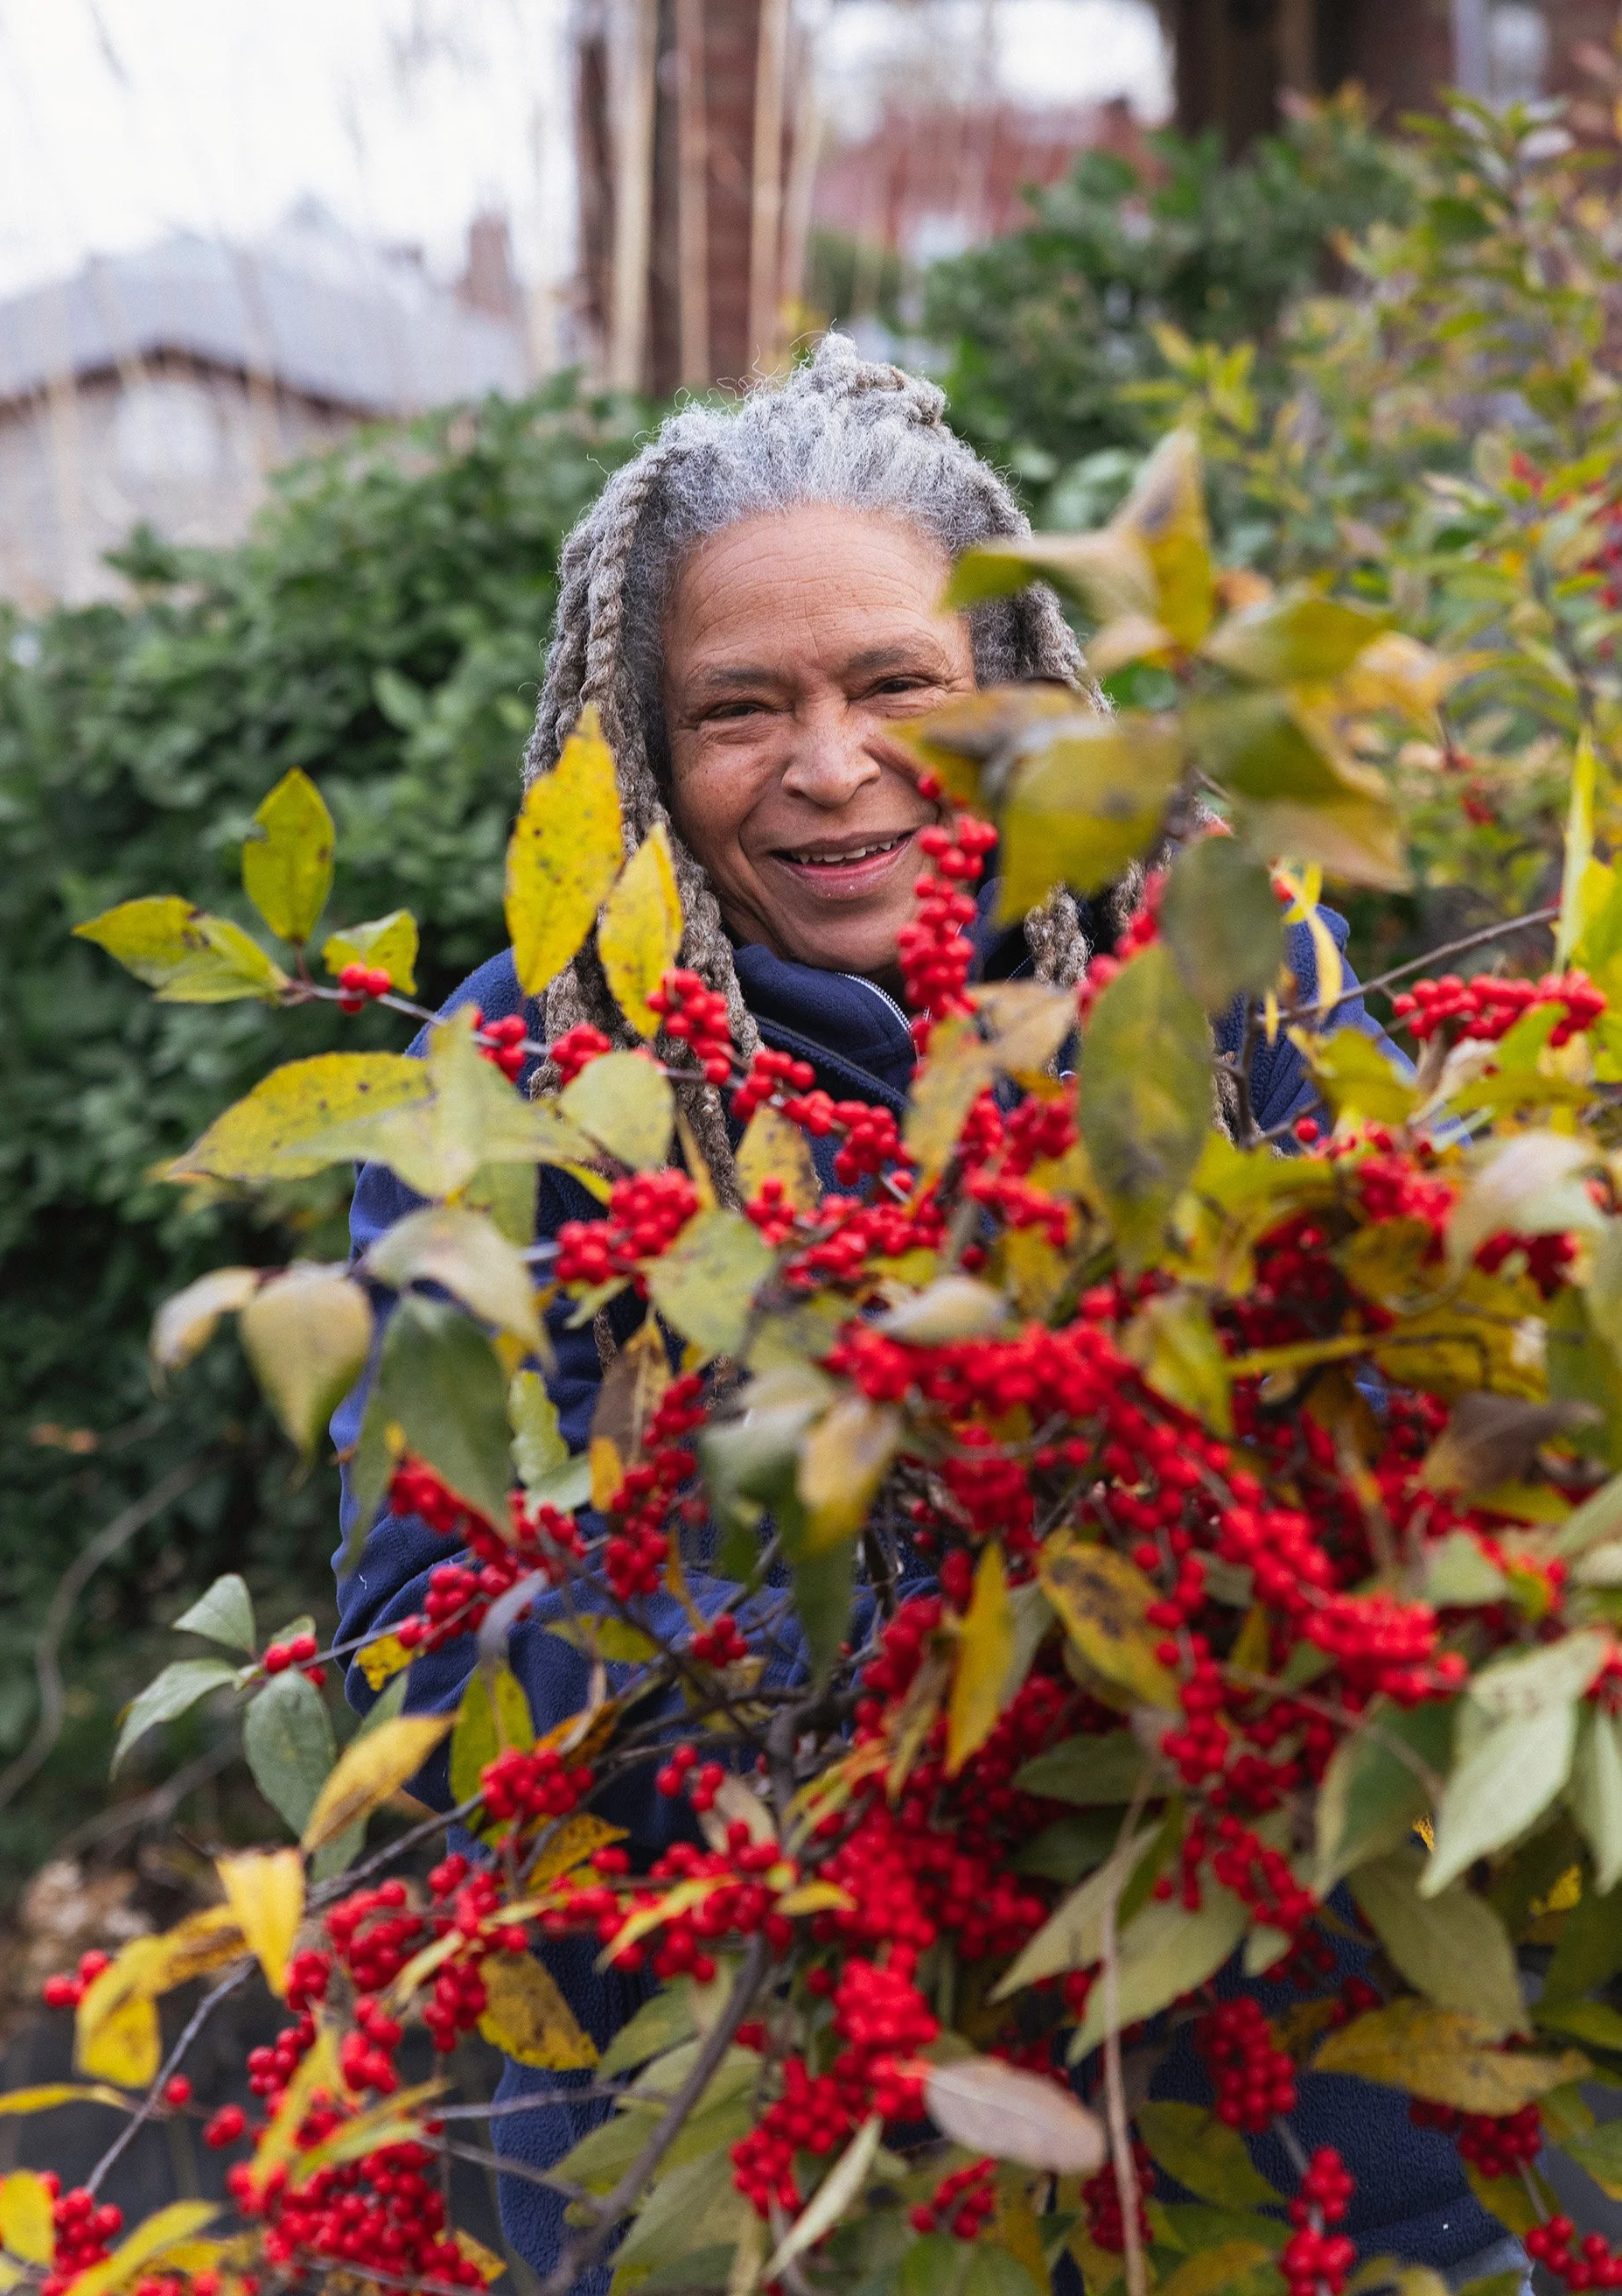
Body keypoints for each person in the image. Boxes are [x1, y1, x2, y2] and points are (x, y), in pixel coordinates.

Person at [332, 339, 1521, 2292]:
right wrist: (870, 1651)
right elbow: (421, 1633)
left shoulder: (1221, 970)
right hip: (770, 2145)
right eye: (736, 707)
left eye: (896, 684)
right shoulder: (524, 1075)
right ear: (633, 747)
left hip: (1305, 2131)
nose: (826, 763)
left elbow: (1447, 1398)